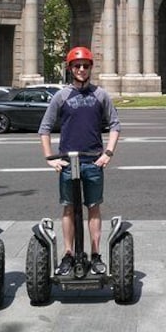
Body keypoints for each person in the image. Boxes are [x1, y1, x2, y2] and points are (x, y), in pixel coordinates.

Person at [38, 46, 121, 276]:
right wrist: (50, 158)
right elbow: (44, 128)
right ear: (70, 68)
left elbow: (115, 125)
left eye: (85, 66)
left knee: (93, 208)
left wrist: (108, 153)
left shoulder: (100, 95)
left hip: (93, 161)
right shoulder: (62, 96)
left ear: (91, 68)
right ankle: (68, 254)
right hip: (67, 162)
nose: (82, 69)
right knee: (68, 209)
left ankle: (95, 255)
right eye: (77, 66)